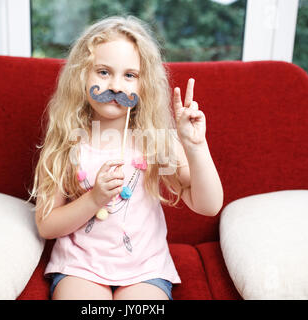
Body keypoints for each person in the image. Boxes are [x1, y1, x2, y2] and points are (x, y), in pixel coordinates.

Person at [30, 16, 223, 300]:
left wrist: (195, 146)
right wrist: (94, 198)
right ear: (82, 76)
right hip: (80, 267)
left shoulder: (155, 140)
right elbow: (46, 225)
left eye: (130, 75)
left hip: (145, 271)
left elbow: (209, 205)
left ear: (145, 86)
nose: (117, 86)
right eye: (104, 72)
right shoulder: (67, 142)